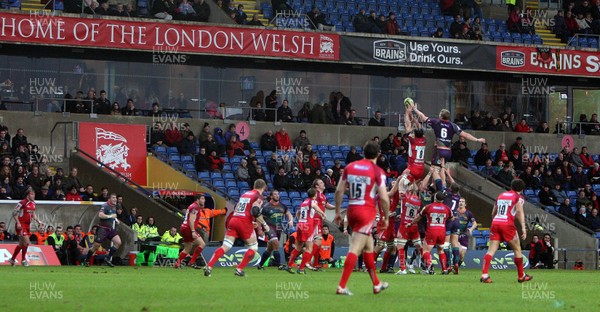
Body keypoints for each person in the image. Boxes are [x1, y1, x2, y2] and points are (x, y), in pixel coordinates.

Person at [334, 141, 390, 295]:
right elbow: (384, 198)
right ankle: (342, 286)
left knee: (368, 247)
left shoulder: (350, 167)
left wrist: (338, 212)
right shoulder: (377, 171)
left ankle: (377, 284)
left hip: (352, 210)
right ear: (378, 154)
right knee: (355, 248)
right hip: (366, 212)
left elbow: (339, 191)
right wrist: (386, 218)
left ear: (363, 152)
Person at [204, 179, 269, 277]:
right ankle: (239, 269)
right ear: (264, 187)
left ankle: (209, 266)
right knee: (253, 247)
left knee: (226, 246)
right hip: (244, 222)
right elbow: (255, 211)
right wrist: (264, 224)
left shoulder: (245, 194)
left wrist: (250, 220)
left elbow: (238, 207)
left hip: (234, 220)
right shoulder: (258, 196)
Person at [480, 179, 532, 283]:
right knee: (517, 249)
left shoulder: (501, 195)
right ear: (521, 189)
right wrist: (523, 228)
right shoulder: (518, 197)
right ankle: (521, 275)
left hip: (496, 222)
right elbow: (519, 212)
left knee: (491, 250)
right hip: (507, 224)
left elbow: (493, 212)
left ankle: (484, 275)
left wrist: (496, 221)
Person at [411, 105, 485, 166]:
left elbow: (423, 117)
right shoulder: (453, 125)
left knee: (434, 169)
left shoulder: (436, 122)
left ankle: (439, 183)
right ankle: (443, 182)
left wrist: (415, 109)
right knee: (442, 169)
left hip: (440, 151)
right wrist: (477, 139)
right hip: (448, 152)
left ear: (441, 117)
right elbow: (465, 134)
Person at [408, 191, 453, 274]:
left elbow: (419, 217)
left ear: (435, 198)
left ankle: (430, 265)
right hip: (442, 231)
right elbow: (451, 218)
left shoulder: (428, 207)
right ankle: (444, 269)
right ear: (443, 200)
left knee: (425, 250)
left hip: (432, 230)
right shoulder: (447, 208)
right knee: (441, 250)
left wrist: (411, 223)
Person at [284, 188, 325, 274]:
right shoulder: (312, 201)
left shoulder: (304, 202)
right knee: (309, 248)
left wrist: (301, 220)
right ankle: (301, 268)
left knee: (298, 246)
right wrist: (322, 212)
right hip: (308, 226)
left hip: (300, 225)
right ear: (315, 195)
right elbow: (314, 206)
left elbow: (298, 213)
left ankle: (289, 265)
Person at [257, 190, 293, 269]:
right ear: (271, 196)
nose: (277, 196)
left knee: (269, 249)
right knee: (276, 245)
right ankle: (279, 264)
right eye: (275, 194)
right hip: (269, 228)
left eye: (278, 194)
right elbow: (259, 218)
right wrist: (259, 229)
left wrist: (290, 220)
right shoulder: (266, 206)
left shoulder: (282, 206)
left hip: (279, 228)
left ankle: (260, 265)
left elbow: (288, 214)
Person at [83, 194, 122, 267]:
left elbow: (112, 215)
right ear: (109, 199)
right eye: (113, 198)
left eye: (115, 198)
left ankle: (107, 258)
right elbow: (100, 215)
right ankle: (87, 260)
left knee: (118, 242)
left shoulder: (114, 206)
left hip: (110, 229)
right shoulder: (105, 205)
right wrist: (110, 216)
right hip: (102, 229)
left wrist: (116, 219)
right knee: (96, 246)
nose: (115, 199)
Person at [8, 190, 42, 266]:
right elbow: (14, 212)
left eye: (34, 194)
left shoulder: (33, 203)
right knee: (27, 242)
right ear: (27, 195)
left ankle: (12, 259)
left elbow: (33, 214)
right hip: (21, 225)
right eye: (32, 194)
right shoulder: (22, 202)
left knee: (21, 244)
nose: (34, 196)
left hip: (27, 225)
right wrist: (18, 222)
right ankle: (23, 260)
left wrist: (38, 221)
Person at [394, 183, 423, 275]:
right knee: (419, 247)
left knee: (400, 247)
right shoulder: (419, 200)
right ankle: (428, 267)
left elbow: (400, 188)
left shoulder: (406, 196)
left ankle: (403, 269)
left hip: (404, 225)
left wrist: (404, 177)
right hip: (414, 225)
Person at [397, 106, 427, 193]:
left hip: (413, 168)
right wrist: (412, 117)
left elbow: (407, 125)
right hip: (421, 168)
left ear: (414, 135)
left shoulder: (413, 140)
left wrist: (407, 112)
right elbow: (419, 127)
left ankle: (403, 200)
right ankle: (414, 200)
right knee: (412, 188)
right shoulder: (424, 140)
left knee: (401, 184)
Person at [175, 194, 207, 269]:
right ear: (197, 200)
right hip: (188, 229)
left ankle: (177, 263)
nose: (204, 200)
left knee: (188, 247)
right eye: (202, 198)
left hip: (183, 227)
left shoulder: (193, 206)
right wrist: (193, 231)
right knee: (202, 244)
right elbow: (191, 220)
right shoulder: (195, 207)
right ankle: (192, 262)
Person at [456, 198, 477, 271]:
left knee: (462, 255)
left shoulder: (468, 213)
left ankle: (456, 267)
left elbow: (475, 223)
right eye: (460, 201)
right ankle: (453, 265)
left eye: (462, 202)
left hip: (464, 235)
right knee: (458, 250)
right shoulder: (455, 212)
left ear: (465, 204)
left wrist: (471, 229)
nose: (461, 203)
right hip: (455, 234)